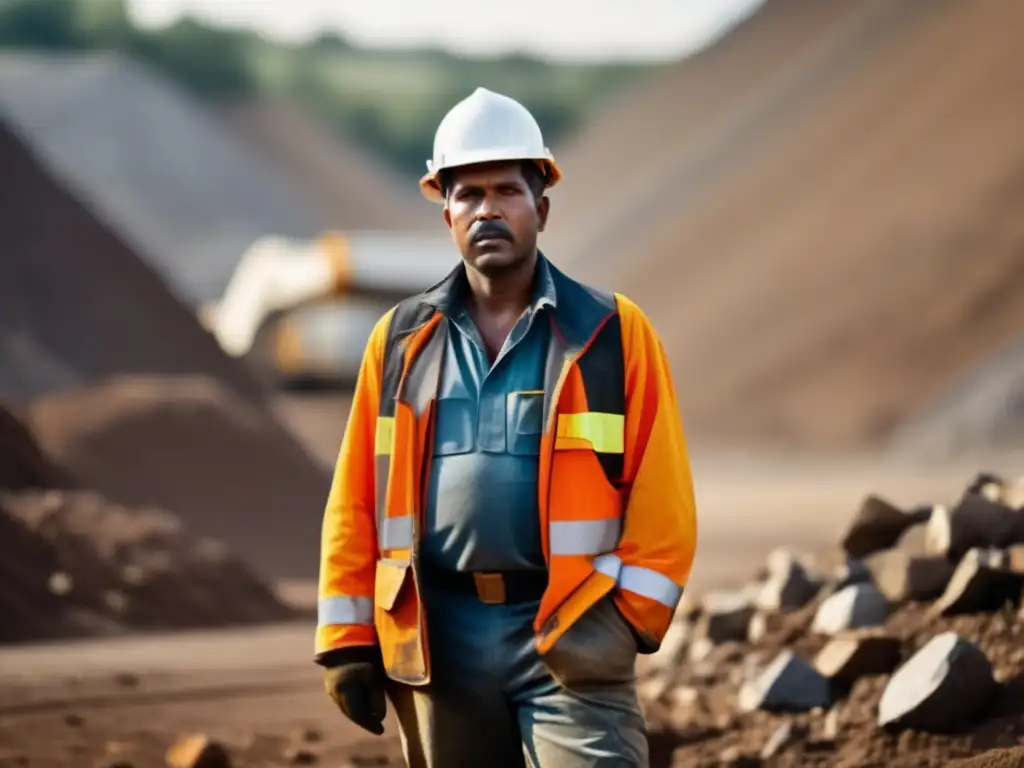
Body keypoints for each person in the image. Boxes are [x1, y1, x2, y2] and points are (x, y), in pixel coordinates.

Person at [315, 86, 698, 767]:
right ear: (447, 216)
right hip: (438, 632)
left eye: (506, 191)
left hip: (568, 630)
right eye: (467, 194)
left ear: (541, 209)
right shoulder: (399, 341)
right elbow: (355, 501)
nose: (487, 208)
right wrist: (347, 640)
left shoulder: (613, 334)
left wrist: (621, 623)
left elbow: (664, 503)